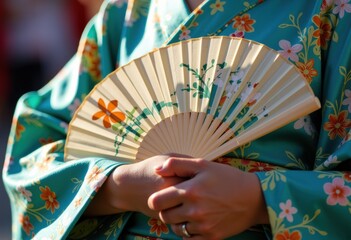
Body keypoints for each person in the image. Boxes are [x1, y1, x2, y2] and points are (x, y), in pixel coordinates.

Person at [3, 0, 351, 239]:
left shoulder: (331, 11)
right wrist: (116, 186)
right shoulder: (126, 14)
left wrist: (259, 200)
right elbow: (33, 150)